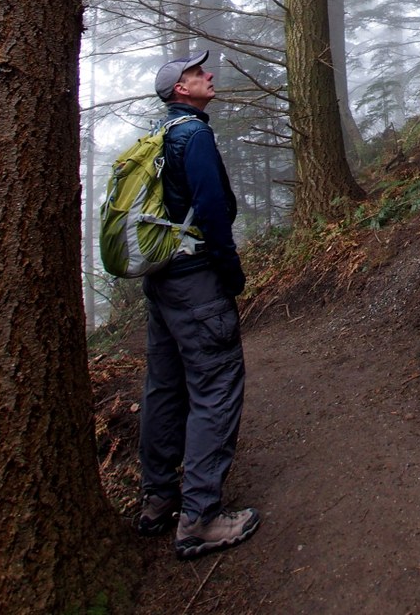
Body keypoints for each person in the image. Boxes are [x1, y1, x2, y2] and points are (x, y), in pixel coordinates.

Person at [137, 49, 260, 559]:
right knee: (216, 385)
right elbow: (211, 210)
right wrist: (231, 273)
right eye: (196, 72)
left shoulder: (158, 135)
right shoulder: (194, 135)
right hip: (196, 282)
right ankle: (201, 518)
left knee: (165, 387)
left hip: (162, 281)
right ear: (180, 90)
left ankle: (159, 497)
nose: (208, 74)